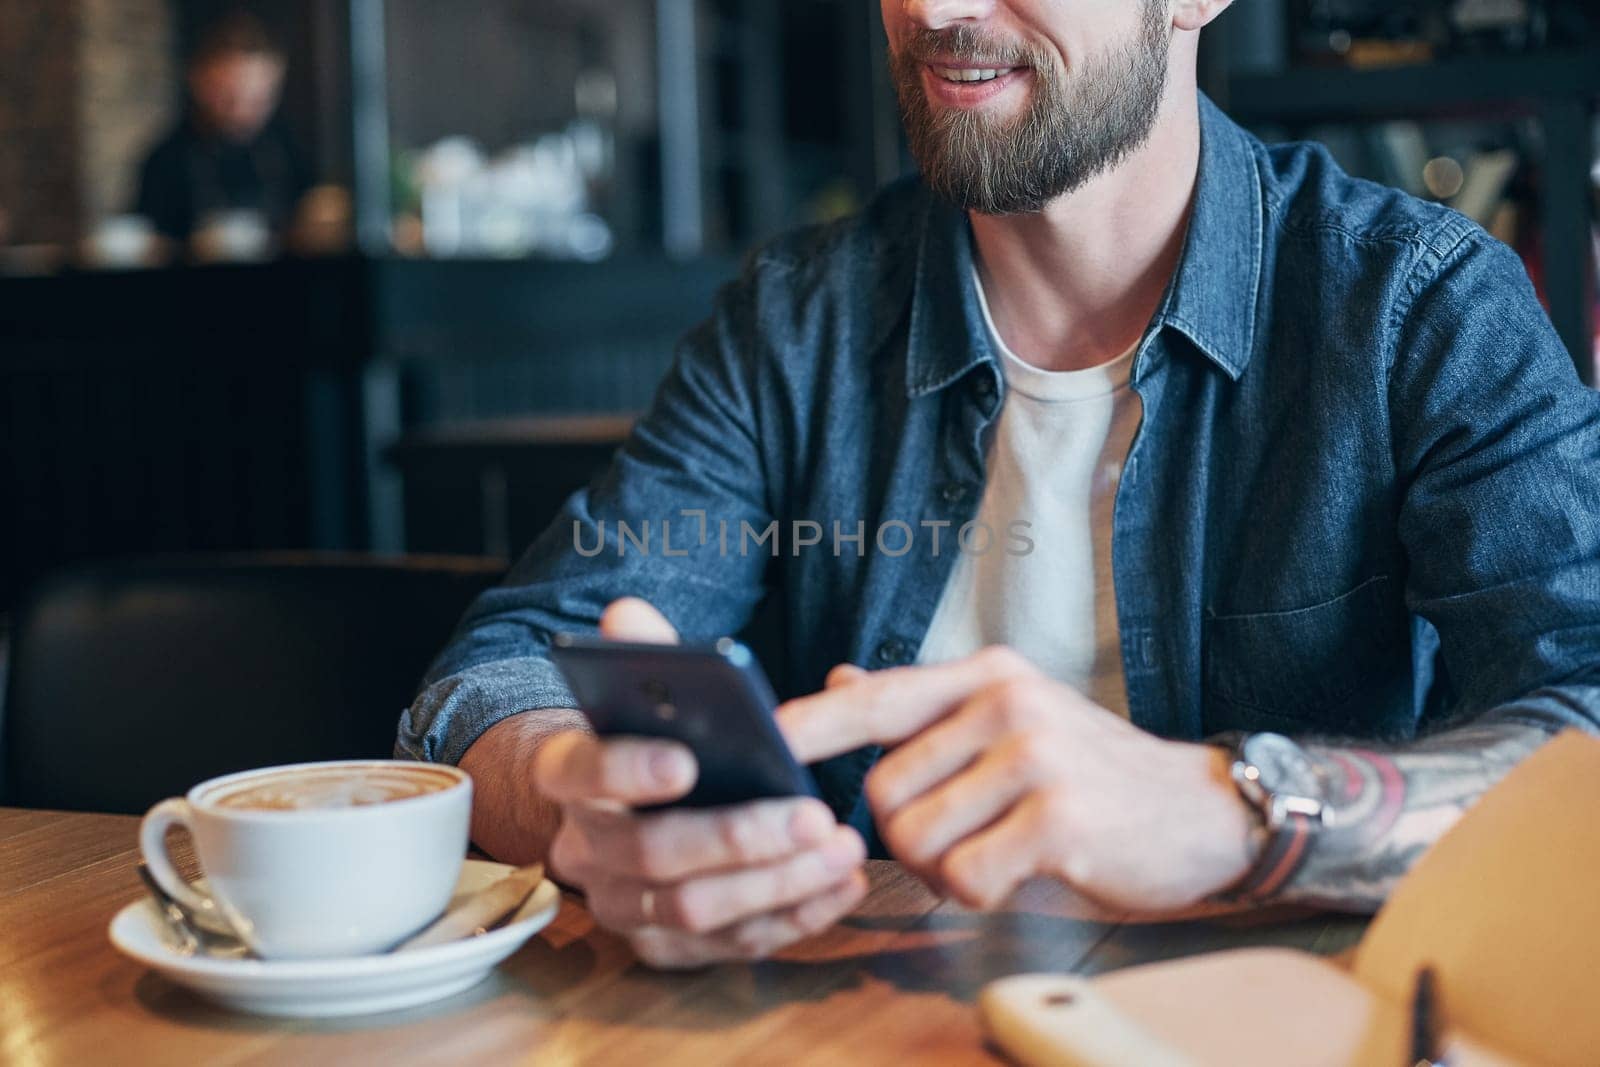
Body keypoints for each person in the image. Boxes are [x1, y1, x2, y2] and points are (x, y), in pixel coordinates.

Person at [399, 0, 1600, 968]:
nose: (937, 10)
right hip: (867, 1018)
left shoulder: (1416, 304)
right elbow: (499, 668)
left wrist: (1234, 814)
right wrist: (580, 794)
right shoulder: (799, 319)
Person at [134, 12, 312, 252]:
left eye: (258, 100)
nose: (242, 112)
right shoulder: (166, 162)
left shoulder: (289, 151)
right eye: (228, 98)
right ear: (198, 82)